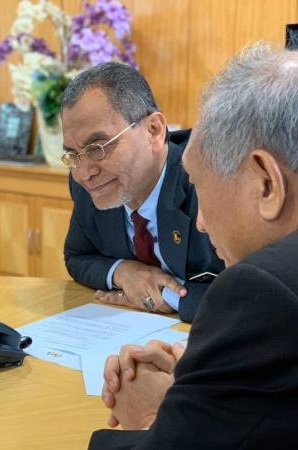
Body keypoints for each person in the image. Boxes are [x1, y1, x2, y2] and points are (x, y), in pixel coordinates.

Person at [92, 42, 298, 449]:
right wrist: (206, 384)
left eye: (200, 186)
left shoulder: (261, 290)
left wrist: (151, 419)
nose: (200, 222)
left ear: (266, 183)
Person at [61, 62, 223, 322]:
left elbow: (256, 295)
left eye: (98, 148)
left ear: (154, 131)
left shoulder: (211, 180)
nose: (83, 173)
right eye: (72, 154)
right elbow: (77, 256)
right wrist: (123, 272)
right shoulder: (90, 186)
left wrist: (164, 296)